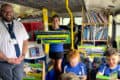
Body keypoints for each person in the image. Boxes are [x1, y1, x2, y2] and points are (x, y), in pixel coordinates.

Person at [0, 4, 29, 80]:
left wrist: (23, 55)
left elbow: (25, 41)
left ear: (13, 12)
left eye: (10, 11)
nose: (8, 13)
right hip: (4, 63)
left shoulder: (19, 25)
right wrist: (7, 59)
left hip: (19, 62)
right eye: (5, 11)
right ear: (1, 12)